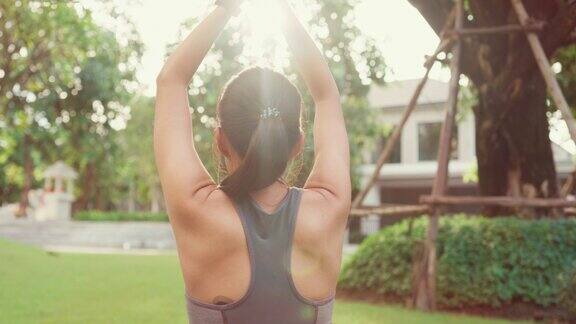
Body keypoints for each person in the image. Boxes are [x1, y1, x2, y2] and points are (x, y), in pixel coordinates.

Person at [154, 0, 350, 322]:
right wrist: (283, 11)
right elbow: (326, 94)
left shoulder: (196, 209)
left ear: (219, 140)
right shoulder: (328, 207)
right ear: (298, 145)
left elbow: (171, 80)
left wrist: (226, 8)